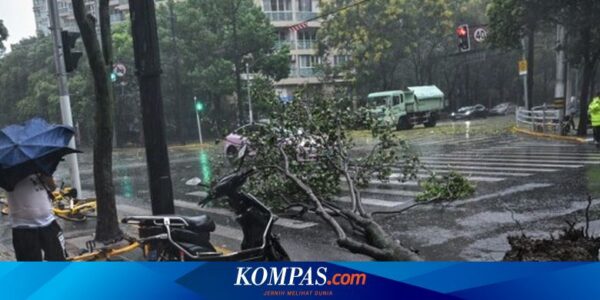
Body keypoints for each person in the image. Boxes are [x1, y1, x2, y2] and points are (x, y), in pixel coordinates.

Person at [7, 174, 66, 261]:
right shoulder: (8, 169)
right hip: (23, 227)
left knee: (59, 260)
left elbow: (52, 187)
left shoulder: (37, 165)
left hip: (49, 222)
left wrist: (45, 175)